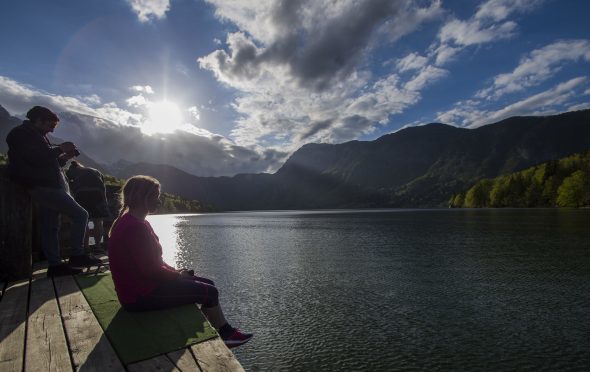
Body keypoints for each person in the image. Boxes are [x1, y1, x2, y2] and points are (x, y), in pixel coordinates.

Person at [107, 175, 253, 348]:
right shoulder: (134, 227)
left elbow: (155, 262)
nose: (159, 200)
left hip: (142, 287)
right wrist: (177, 277)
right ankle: (225, 334)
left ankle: (213, 330)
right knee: (210, 292)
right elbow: (151, 270)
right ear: (142, 197)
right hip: (139, 296)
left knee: (208, 283)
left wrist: (177, 273)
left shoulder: (138, 223)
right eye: (155, 195)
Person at [5, 106, 102, 276]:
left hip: (44, 185)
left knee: (50, 226)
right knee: (81, 215)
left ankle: (55, 265)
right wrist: (60, 149)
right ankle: (77, 255)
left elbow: (47, 162)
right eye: (50, 125)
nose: (51, 129)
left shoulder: (38, 136)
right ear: (39, 119)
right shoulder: (20, 134)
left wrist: (64, 158)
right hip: (42, 185)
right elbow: (36, 157)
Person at [66, 160, 110, 253]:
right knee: (98, 221)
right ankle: (97, 246)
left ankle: (86, 247)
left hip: (81, 195)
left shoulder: (71, 171)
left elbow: (70, 185)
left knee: (84, 221)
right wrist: (104, 203)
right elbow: (103, 185)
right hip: (97, 195)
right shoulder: (94, 170)